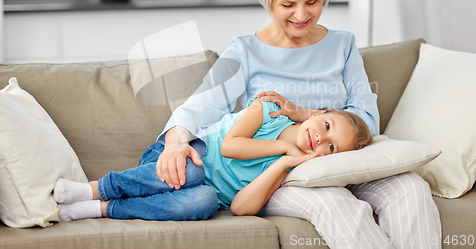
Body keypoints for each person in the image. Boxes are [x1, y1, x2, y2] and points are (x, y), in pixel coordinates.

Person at [157, 0, 441, 249]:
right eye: (288, 4)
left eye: (312, 1)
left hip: (345, 159)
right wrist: (176, 139)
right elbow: (203, 103)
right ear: (269, 2)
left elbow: (367, 121)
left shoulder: (343, 45)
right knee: (334, 202)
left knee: (411, 189)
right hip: (284, 172)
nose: (302, 15)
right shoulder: (244, 51)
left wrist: (307, 115)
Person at [53, 97, 371, 221]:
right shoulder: (267, 111)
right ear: (320, 113)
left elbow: (240, 207)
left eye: (330, 148)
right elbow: (231, 146)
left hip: (200, 191)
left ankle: (102, 209)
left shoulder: (292, 170)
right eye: (326, 126)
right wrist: (280, 149)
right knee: (194, 174)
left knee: (205, 201)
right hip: (180, 159)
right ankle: (96, 189)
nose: (320, 138)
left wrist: (281, 165)